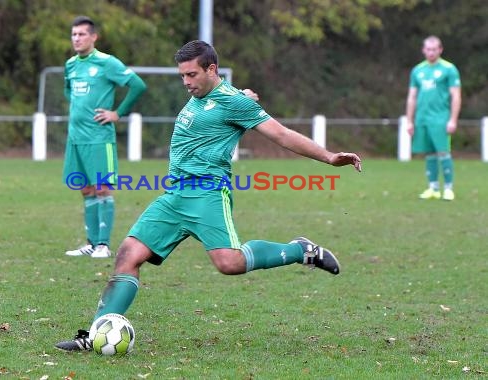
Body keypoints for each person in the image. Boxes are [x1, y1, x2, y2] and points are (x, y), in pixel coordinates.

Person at [55, 40, 362, 351]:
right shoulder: (207, 96)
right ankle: (95, 335)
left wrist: (328, 157)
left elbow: (281, 134)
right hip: (174, 196)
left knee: (229, 263)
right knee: (128, 255)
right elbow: (219, 112)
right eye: (182, 76)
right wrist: (241, 95)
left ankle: (301, 250)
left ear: (211, 69)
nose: (186, 83)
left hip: (207, 194)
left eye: (191, 75)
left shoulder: (234, 102)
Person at [63, 16, 147, 258]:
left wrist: (117, 113)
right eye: (74, 34)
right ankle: (90, 243)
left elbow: (138, 85)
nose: (76, 38)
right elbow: (68, 92)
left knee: (102, 188)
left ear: (93, 37)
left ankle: (103, 245)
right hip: (75, 138)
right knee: (85, 189)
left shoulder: (106, 62)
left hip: (99, 138)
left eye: (81, 34)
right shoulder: (70, 64)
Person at [405, 35, 461, 201]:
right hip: (422, 118)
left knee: (443, 152)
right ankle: (433, 188)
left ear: (440, 50)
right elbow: (412, 97)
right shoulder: (417, 70)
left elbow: (456, 96)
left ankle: (449, 188)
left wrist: (453, 119)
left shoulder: (449, 69)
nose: (431, 52)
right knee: (429, 154)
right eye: (428, 49)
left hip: (440, 118)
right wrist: (409, 120)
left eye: (434, 49)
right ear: (424, 50)